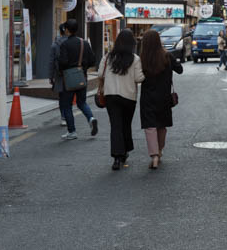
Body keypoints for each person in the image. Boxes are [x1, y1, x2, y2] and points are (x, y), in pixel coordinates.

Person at [98, 29, 145, 170]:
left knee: (116, 126)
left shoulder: (108, 57)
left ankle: (117, 158)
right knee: (126, 124)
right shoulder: (135, 59)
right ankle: (124, 152)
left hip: (111, 96)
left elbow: (100, 74)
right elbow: (139, 78)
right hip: (129, 97)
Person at [139, 30, 183, 170]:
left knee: (150, 126)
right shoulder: (167, 55)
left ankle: (154, 156)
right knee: (161, 125)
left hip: (147, 97)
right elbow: (180, 69)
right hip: (164, 97)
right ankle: (160, 150)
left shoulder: (142, 58)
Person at [57, 19, 98, 140]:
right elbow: (93, 60)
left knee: (67, 105)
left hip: (69, 79)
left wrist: (61, 68)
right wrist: (83, 67)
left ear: (67, 30)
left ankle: (72, 131)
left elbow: (62, 62)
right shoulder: (84, 43)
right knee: (81, 102)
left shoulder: (64, 44)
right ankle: (91, 118)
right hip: (81, 77)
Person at [50, 23, 68, 127]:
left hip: (59, 74)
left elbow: (51, 62)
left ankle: (63, 117)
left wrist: (50, 76)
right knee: (69, 97)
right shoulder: (76, 42)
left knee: (62, 96)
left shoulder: (55, 44)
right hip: (72, 74)